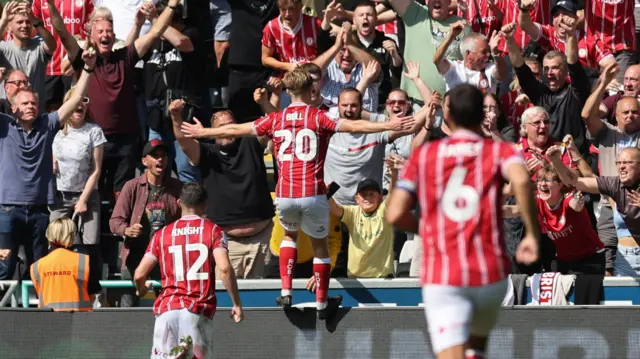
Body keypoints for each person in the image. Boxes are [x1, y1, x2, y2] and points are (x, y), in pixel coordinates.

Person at [180, 68, 414, 319]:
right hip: (312, 192)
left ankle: (286, 290)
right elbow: (353, 125)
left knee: (289, 236)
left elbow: (237, 129)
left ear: (288, 92)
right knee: (320, 247)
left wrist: (204, 132)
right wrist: (389, 124)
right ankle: (323, 303)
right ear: (311, 91)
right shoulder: (319, 117)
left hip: (285, 194)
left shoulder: (276, 119)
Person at [385, 84, 539, 359]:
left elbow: (394, 213)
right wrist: (531, 234)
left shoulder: (424, 155)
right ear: (482, 114)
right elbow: (522, 179)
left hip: (445, 273)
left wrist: (429, 228)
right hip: (489, 272)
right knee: (475, 351)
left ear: (448, 115)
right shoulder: (499, 151)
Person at [0, 47, 96, 281]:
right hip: (7, 210)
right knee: (3, 267)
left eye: (33, 102)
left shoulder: (48, 124)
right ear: (13, 108)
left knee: (39, 269)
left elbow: (74, 101)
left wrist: (88, 68)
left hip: (40, 210)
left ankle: (38, 317)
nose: (30, 106)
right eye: (24, 103)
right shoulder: (4, 126)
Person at [134, 183, 243, 359]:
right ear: (205, 205)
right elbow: (224, 268)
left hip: (167, 310)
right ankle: (185, 350)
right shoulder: (214, 231)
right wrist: (236, 303)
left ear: (178, 203)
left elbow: (139, 274)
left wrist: (141, 289)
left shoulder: (161, 235)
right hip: (196, 310)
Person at [170, 102, 276, 279]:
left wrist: (268, 100)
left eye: (230, 126)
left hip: (263, 240)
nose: (227, 131)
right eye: (221, 128)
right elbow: (184, 142)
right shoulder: (207, 153)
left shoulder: (252, 143)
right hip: (226, 244)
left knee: (263, 302)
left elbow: (273, 125)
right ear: (212, 131)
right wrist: (175, 116)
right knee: (227, 302)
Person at [109, 140, 183, 307]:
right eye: (155, 156)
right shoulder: (131, 186)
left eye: (163, 156)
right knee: (128, 305)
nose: (160, 160)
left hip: (166, 256)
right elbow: (115, 221)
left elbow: (186, 217)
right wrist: (127, 230)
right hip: (135, 255)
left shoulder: (178, 187)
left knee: (168, 306)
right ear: (144, 161)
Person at [50, 88, 105, 279]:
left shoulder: (94, 131)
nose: (79, 105)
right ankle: (59, 281)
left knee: (89, 244)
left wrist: (83, 199)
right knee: (55, 240)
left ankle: (92, 288)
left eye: (83, 100)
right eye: (75, 101)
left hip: (87, 194)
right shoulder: (57, 133)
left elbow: (96, 169)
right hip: (61, 194)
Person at [30, 218, 101, 311]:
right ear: (71, 235)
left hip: (47, 320)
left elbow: (39, 295)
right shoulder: (84, 260)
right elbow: (93, 293)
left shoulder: (37, 266)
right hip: (80, 318)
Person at [0, 1, 57, 114]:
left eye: (27, 22)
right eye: (20, 22)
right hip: (10, 116)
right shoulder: (4, 48)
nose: (24, 26)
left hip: (36, 113)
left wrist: (35, 21)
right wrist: (4, 19)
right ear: (9, 27)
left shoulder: (39, 45)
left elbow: (52, 45)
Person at [434, 23, 507, 94]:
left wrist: (495, 53)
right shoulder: (454, 69)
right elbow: (437, 61)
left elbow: (502, 75)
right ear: (469, 53)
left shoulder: (489, 68)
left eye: (489, 51)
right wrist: (451, 36)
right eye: (483, 52)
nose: (488, 54)